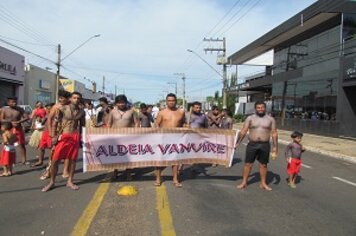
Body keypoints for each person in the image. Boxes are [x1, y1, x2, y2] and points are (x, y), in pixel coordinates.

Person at [42, 91, 85, 192]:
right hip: (63, 136)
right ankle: (52, 182)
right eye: (74, 98)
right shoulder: (62, 108)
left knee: (73, 160)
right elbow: (55, 123)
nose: (76, 100)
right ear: (70, 98)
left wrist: (83, 137)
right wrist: (53, 136)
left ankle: (70, 181)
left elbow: (82, 125)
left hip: (74, 137)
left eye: (78, 98)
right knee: (55, 160)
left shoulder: (81, 111)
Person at [235, 101, 278, 191]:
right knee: (248, 164)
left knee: (263, 165)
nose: (260, 109)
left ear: (265, 108)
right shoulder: (250, 118)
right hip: (252, 144)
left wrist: (275, 147)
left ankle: (263, 183)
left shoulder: (270, 119)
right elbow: (243, 131)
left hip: (264, 145)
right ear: (255, 108)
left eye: (262, 107)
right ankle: (244, 182)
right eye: (258, 107)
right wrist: (238, 142)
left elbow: (274, 133)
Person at [155, 93, 185, 188]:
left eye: (173, 100)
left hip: (176, 139)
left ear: (176, 101)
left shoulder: (181, 112)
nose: (171, 102)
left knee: (175, 160)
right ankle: (158, 178)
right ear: (166, 101)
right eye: (169, 101)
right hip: (163, 139)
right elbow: (156, 125)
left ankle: (175, 179)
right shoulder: (162, 112)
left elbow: (183, 123)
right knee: (160, 160)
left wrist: (186, 126)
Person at [107, 94, 139, 179]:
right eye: (119, 103)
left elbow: (136, 123)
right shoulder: (113, 112)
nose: (121, 104)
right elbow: (109, 124)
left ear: (126, 102)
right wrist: (107, 135)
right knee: (114, 155)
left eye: (123, 102)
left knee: (128, 156)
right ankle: (115, 172)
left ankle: (128, 173)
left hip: (128, 137)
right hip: (115, 137)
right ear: (116, 103)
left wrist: (135, 133)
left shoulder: (131, 111)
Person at [0, 97, 29, 165]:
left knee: (21, 144)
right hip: (8, 129)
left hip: (18, 128)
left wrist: (19, 121)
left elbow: (26, 117)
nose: (14, 103)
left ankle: (24, 160)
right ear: (8, 102)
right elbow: (1, 119)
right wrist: (11, 122)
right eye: (12, 102)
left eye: (15, 102)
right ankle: (9, 161)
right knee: (8, 145)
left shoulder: (20, 109)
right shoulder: (4, 110)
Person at [32, 103, 55, 168]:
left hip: (51, 133)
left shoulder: (55, 115)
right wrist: (39, 118)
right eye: (47, 108)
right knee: (41, 147)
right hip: (45, 132)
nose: (48, 109)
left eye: (49, 108)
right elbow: (42, 123)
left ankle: (50, 163)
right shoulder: (46, 115)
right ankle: (40, 161)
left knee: (51, 149)